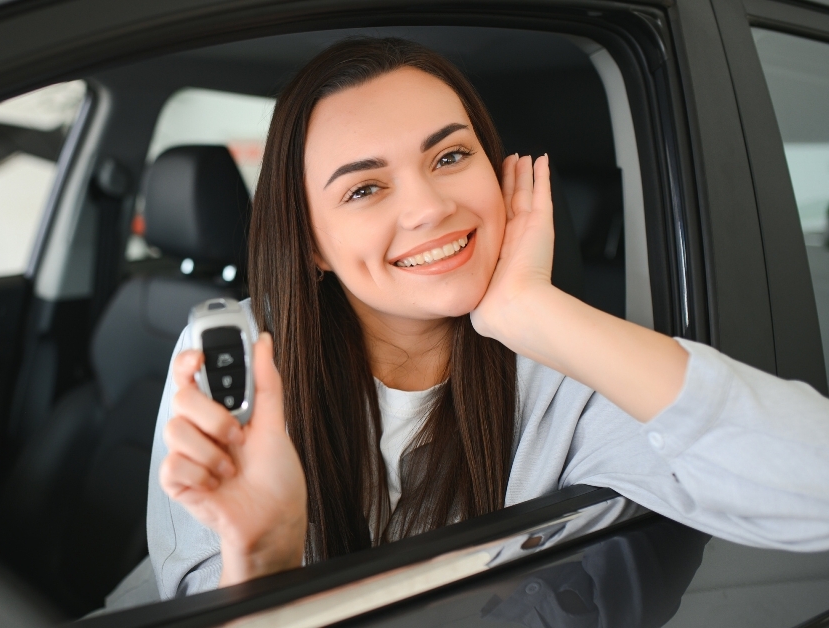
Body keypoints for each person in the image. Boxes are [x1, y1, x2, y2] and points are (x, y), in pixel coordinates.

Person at [145, 37, 829, 599]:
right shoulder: (237, 357)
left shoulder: (570, 378)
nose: (429, 207)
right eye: (365, 187)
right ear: (313, 244)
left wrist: (533, 313)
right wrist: (264, 560)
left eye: (450, 156)